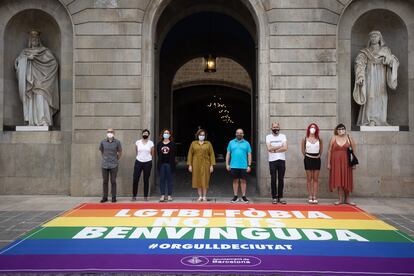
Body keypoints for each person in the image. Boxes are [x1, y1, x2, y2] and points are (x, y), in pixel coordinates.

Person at [353, 30, 399, 126]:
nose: (374, 38)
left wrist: (390, 60)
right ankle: (370, 120)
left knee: (381, 96)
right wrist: (360, 76)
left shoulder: (385, 50)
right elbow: (359, 64)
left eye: (376, 36)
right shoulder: (365, 52)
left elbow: (392, 60)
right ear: (370, 39)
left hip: (381, 76)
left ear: (380, 38)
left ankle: (381, 120)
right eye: (372, 36)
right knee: (371, 96)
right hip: (369, 76)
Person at [15, 30, 59, 126]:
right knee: (31, 99)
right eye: (32, 38)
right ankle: (32, 121)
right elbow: (17, 64)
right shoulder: (25, 52)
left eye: (36, 38)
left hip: (43, 81)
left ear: (39, 40)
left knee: (41, 98)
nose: (34, 40)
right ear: (30, 40)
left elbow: (53, 63)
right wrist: (27, 59)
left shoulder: (45, 51)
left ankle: (44, 120)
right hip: (30, 81)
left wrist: (45, 75)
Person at [327, 124, 356, 205]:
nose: (341, 130)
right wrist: (329, 163)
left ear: (345, 129)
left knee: (347, 179)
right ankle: (340, 199)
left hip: (347, 162)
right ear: (336, 130)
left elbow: (353, 150)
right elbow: (329, 151)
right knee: (338, 180)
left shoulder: (349, 138)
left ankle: (347, 199)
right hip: (336, 162)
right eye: (339, 129)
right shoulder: (333, 138)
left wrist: (354, 164)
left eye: (343, 128)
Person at [187, 129, 216, 201]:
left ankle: (204, 196)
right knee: (197, 179)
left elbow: (212, 154)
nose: (201, 136)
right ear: (197, 135)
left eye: (203, 135)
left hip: (206, 163)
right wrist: (190, 165)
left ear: (205, 136)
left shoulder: (208, 143)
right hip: (196, 163)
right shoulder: (193, 143)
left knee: (205, 179)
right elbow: (190, 154)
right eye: (200, 135)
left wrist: (212, 165)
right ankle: (200, 196)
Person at [226, 128, 252, 203]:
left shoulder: (246, 143)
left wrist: (249, 165)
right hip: (233, 166)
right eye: (237, 133)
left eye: (241, 133)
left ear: (243, 134)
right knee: (235, 181)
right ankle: (235, 196)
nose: (239, 134)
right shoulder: (231, 142)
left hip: (244, 166)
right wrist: (227, 164)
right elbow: (228, 154)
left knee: (243, 181)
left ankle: (244, 196)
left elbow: (249, 154)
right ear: (235, 134)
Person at [266, 122, 288, 204]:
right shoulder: (268, 137)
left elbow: (285, 148)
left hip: (282, 160)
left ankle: (280, 197)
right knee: (273, 179)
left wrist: (274, 149)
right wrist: (280, 146)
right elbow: (269, 148)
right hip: (272, 161)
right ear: (271, 128)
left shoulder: (283, 136)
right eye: (274, 127)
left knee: (281, 179)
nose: (276, 128)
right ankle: (274, 197)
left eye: (277, 127)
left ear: (279, 128)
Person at [301, 123, 323, 204]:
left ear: (316, 129)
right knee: (309, 179)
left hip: (317, 159)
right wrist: (307, 156)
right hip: (308, 159)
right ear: (309, 129)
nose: (312, 129)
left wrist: (318, 156)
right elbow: (303, 150)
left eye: (314, 127)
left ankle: (315, 196)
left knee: (316, 179)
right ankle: (310, 195)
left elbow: (321, 150)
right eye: (311, 127)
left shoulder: (319, 139)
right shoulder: (305, 139)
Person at [99, 128, 122, 203]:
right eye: (108, 132)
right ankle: (105, 197)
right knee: (105, 181)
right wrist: (105, 158)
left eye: (111, 132)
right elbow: (102, 151)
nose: (110, 133)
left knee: (113, 181)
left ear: (114, 133)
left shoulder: (117, 142)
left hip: (114, 165)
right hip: (104, 165)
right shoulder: (102, 142)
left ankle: (113, 197)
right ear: (106, 133)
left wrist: (115, 159)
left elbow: (120, 152)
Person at [132, 129, 154, 201]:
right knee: (135, 179)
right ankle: (134, 196)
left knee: (146, 179)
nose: (145, 134)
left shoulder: (151, 143)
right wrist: (140, 157)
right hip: (138, 161)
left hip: (148, 162)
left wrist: (148, 158)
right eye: (144, 133)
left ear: (148, 135)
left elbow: (152, 153)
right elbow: (136, 151)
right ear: (142, 134)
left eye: (146, 133)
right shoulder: (138, 142)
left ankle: (145, 196)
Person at [157, 129, 176, 202]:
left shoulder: (172, 144)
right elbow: (158, 154)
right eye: (165, 133)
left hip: (169, 164)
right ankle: (162, 195)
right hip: (162, 164)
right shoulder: (159, 144)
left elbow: (174, 155)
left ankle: (169, 195)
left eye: (167, 133)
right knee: (162, 180)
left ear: (170, 135)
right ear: (162, 134)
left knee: (169, 180)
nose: (166, 134)